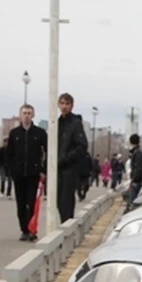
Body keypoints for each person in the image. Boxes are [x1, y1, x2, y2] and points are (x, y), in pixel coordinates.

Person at [6, 104, 47, 241]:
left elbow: (47, 152)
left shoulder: (40, 133)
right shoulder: (14, 133)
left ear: (33, 115)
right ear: (20, 115)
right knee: (21, 203)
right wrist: (11, 170)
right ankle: (23, 229)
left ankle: (32, 229)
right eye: (24, 113)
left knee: (32, 202)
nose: (26, 115)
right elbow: (9, 154)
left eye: (29, 113)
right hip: (18, 174)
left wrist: (43, 170)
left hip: (33, 173)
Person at [57, 93, 88, 222]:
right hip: (57, 168)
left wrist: (66, 158)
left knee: (66, 201)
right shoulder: (57, 123)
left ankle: (67, 227)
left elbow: (82, 146)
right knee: (58, 200)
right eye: (62, 103)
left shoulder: (75, 124)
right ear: (58, 105)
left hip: (69, 168)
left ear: (72, 106)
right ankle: (64, 225)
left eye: (67, 104)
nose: (64, 106)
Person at [127, 134, 142, 205]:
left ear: (131, 142)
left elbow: (138, 169)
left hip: (136, 182)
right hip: (139, 180)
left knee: (134, 202)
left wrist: (133, 180)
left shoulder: (137, 154)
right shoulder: (140, 153)